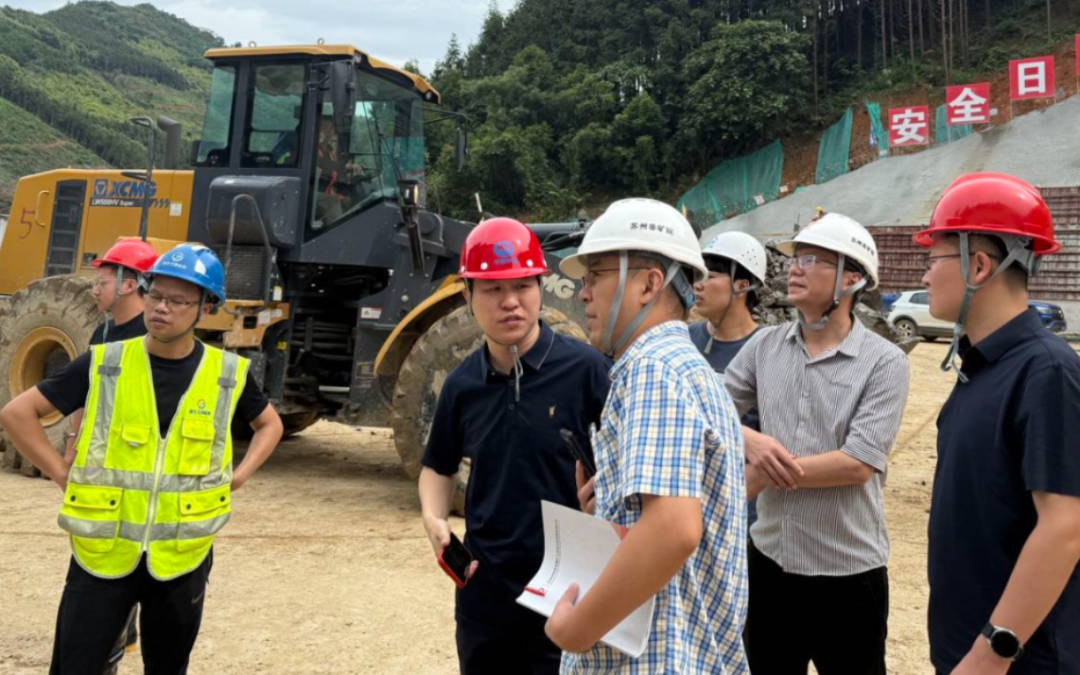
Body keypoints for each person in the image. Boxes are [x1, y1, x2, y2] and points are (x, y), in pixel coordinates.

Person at [0, 243, 284, 675]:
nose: (161, 308)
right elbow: (17, 414)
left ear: (205, 308)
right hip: (103, 551)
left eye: (178, 301)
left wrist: (240, 476)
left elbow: (270, 425)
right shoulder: (106, 363)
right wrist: (60, 474)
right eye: (156, 295)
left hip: (180, 555)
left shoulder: (226, 374)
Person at [547, 198, 748, 674]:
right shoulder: (684, 367)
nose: (582, 294)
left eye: (595, 276)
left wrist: (576, 630)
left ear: (648, 284)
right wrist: (612, 507)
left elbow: (673, 529)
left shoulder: (653, 369)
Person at [418, 217, 611, 675]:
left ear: (541, 289)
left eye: (523, 286)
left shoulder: (587, 370)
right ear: (467, 296)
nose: (510, 302)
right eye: (492, 289)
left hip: (568, 593)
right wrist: (434, 519)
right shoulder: (462, 384)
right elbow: (438, 466)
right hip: (484, 593)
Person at [724, 212, 910, 675]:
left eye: (811, 260)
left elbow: (857, 463)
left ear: (851, 278)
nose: (794, 268)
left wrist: (768, 472)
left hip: (848, 573)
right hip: (770, 563)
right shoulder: (765, 346)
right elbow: (711, 404)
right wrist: (751, 440)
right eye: (794, 259)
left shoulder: (884, 362)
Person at [918, 173, 1080, 675]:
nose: (924, 277)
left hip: (1016, 662)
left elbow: (1065, 527)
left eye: (932, 261)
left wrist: (991, 654)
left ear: (978, 265)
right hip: (964, 651)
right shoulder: (982, 367)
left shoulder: (1046, 371)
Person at [74, 238, 161, 675]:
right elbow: (84, 394)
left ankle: (113, 646)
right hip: (100, 475)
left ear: (129, 284)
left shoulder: (153, 339)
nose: (95, 289)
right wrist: (73, 443)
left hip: (136, 478)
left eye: (103, 280)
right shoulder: (102, 334)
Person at [690, 231, 766, 525]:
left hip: (742, 512)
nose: (698, 285)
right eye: (698, 276)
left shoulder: (768, 350)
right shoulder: (683, 340)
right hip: (685, 503)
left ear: (742, 286)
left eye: (709, 276)